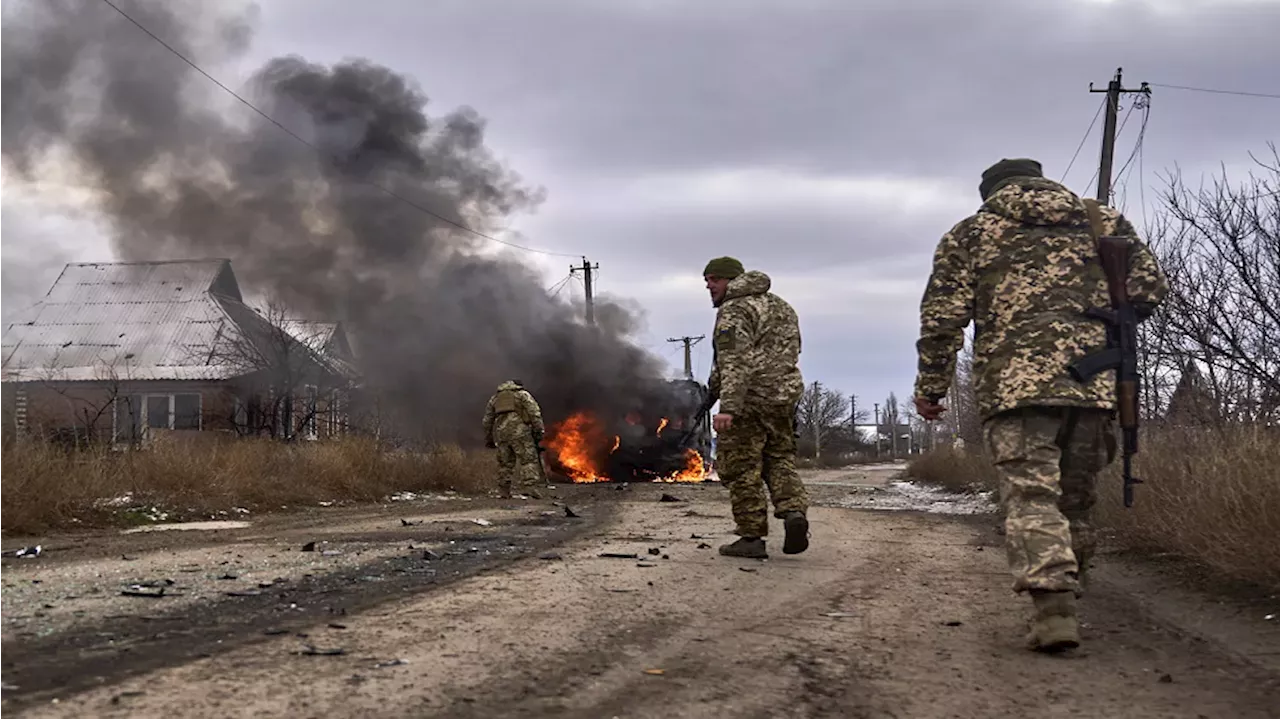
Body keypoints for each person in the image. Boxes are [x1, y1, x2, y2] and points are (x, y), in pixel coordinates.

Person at [912, 158, 1168, 652]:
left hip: (1015, 392)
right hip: (1095, 385)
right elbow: (1150, 291)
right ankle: (1074, 588)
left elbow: (942, 321)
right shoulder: (1102, 222)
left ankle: (1054, 609)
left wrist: (932, 387)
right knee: (1076, 499)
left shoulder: (970, 233)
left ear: (990, 193)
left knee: (1031, 497)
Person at [702, 256, 810, 559]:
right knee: (779, 459)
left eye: (715, 279)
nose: (710, 287)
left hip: (748, 402)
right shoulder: (781, 306)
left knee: (741, 468)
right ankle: (793, 512)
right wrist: (711, 392)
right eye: (707, 281)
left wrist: (728, 407)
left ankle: (751, 537)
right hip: (782, 399)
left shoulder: (735, 310)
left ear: (733, 280)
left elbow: (735, 362)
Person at [482, 379, 547, 499]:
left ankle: (504, 491)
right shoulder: (522, 394)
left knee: (505, 463)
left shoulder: (496, 398)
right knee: (528, 459)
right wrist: (539, 431)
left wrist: (489, 438)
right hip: (520, 432)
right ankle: (530, 487)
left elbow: (487, 420)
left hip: (501, 433)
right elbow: (535, 413)